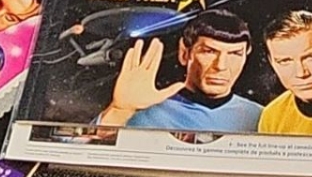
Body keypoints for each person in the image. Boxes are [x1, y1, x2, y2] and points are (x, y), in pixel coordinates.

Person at [96, 9, 262, 131]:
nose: (221, 66)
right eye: (209, 51)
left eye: (235, 54)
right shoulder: (141, 110)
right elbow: (87, 150)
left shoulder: (262, 116)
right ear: (185, 53)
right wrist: (119, 111)